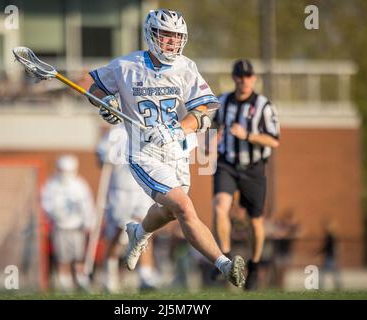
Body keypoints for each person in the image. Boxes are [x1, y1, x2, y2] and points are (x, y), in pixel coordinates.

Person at [78, 9, 245, 287]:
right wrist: (105, 103)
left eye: (177, 37)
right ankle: (224, 264)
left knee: (168, 211)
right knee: (184, 207)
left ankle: (139, 232)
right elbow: (91, 85)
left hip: (176, 151)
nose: (171, 42)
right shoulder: (125, 66)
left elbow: (202, 111)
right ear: (151, 34)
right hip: (144, 153)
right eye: (166, 36)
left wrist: (176, 128)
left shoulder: (186, 67)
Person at [210, 59, 280, 290]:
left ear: (254, 78)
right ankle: (226, 260)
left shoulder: (264, 106)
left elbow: (274, 140)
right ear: (234, 78)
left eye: (248, 76)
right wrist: (211, 141)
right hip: (227, 164)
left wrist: (248, 135)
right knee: (220, 206)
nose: (244, 80)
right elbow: (211, 128)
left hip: (254, 168)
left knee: (255, 221)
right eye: (240, 76)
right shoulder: (222, 101)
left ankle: (256, 264)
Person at [97, 124, 159, 292]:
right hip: (120, 190)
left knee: (146, 230)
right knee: (116, 233)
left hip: (141, 189)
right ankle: (110, 275)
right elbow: (102, 157)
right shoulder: (115, 131)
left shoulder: (145, 127)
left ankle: (145, 275)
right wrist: (108, 152)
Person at [41, 155, 95, 291]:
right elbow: (45, 203)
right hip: (60, 228)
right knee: (62, 257)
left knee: (79, 256)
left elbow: (87, 205)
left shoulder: (80, 185)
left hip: (77, 228)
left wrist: (89, 223)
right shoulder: (51, 185)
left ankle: (80, 279)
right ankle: (64, 281)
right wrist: (54, 213)